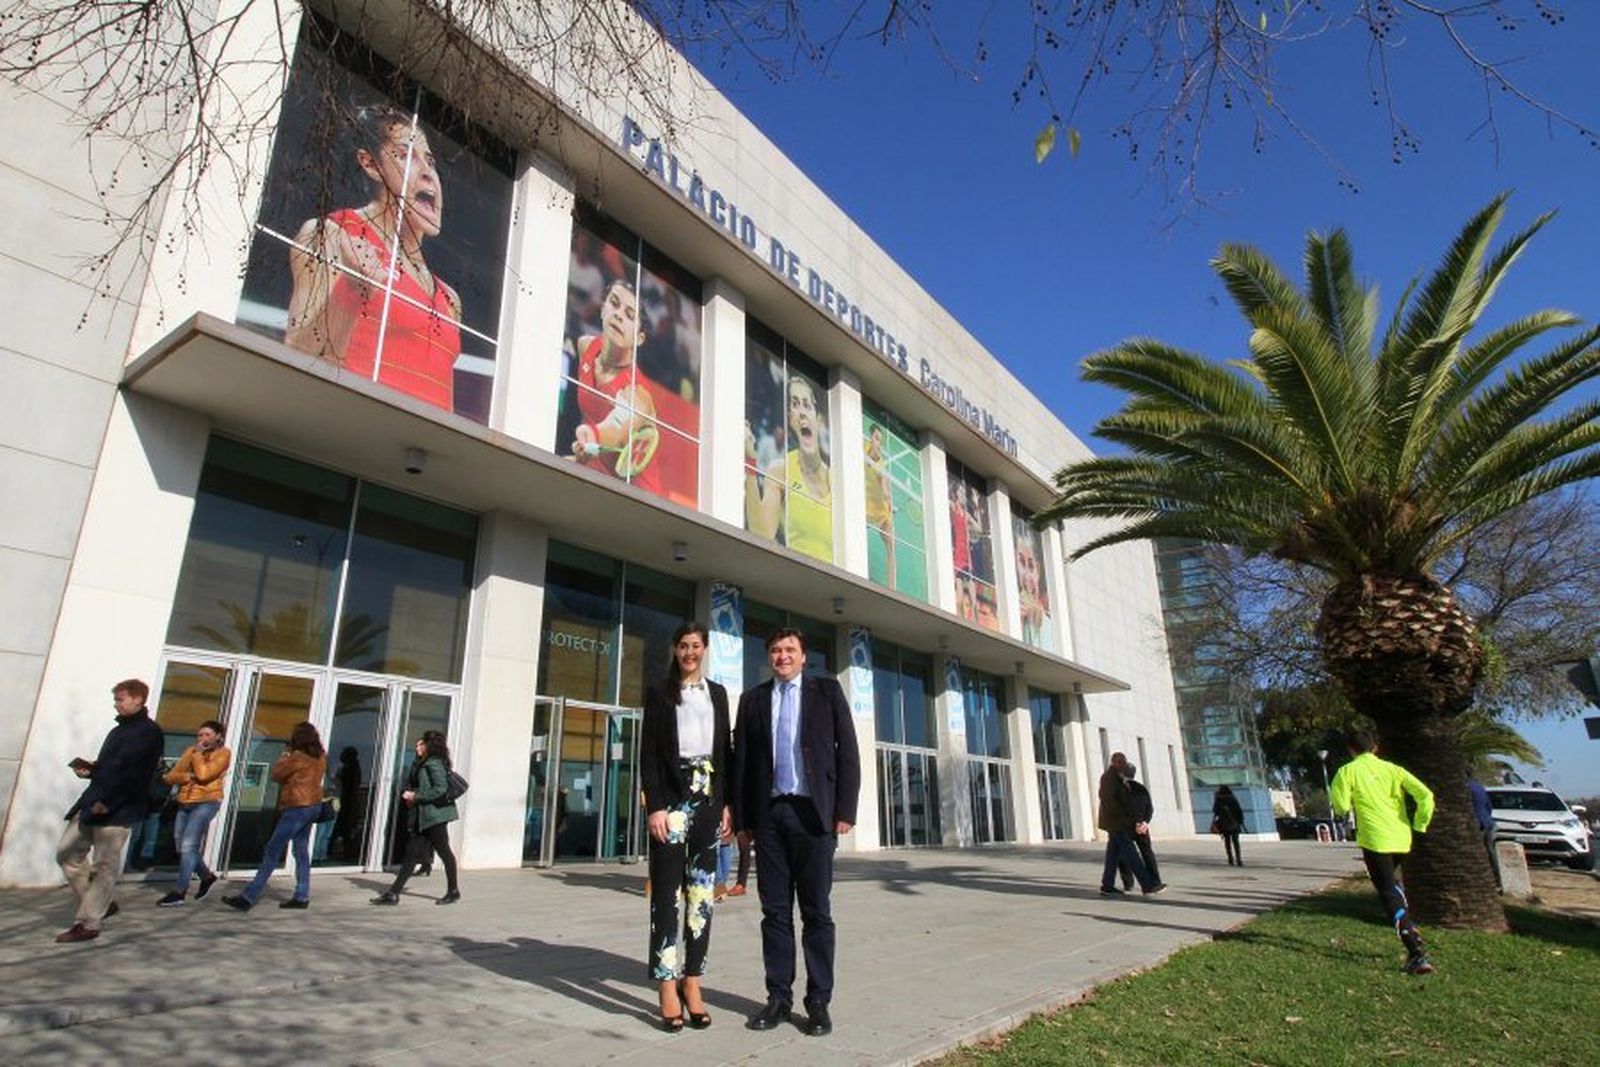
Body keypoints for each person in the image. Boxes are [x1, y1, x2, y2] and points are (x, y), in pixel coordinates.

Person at [285, 105, 462, 411]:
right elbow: (298, 354)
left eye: (430, 161)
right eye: (406, 155)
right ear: (370, 164)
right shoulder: (332, 235)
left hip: (421, 455)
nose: (427, 173)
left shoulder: (451, 299)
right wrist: (352, 289)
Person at [732, 629, 861, 1037]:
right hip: (769, 817)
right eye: (775, 650)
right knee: (774, 913)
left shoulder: (827, 692)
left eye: (790, 650)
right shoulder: (752, 700)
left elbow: (849, 752)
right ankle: (778, 998)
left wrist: (844, 810)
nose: (782, 656)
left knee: (816, 913)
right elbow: (742, 764)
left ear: (804, 656)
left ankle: (818, 1001)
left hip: (814, 816)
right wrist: (742, 820)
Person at [639, 622, 732, 1031]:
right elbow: (649, 755)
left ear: (705, 649)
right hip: (671, 804)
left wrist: (726, 803)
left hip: (708, 803)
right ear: (675, 650)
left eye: (696, 646)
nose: (689, 652)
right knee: (666, 896)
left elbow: (725, 754)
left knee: (701, 898)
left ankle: (692, 982)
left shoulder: (719, 694)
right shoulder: (659, 693)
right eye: (683, 646)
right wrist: (655, 806)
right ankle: (666, 985)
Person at [54, 679, 164, 943]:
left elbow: (137, 774)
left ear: (138, 699)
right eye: (116, 699)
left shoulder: (148, 732)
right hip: (92, 802)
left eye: (121, 699)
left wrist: (110, 802)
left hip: (117, 809)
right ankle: (101, 903)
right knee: (66, 853)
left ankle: (89, 923)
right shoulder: (118, 731)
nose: (116, 703)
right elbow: (112, 768)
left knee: (105, 866)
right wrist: (91, 770)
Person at [1329, 731, 1437, 975]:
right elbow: (1425, 795)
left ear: (1350, 749)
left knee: (1387, 891)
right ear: (1375, 747)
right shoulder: (1394, 770)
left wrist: (1346, 801)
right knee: (1394, 886)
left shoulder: (1346, 772)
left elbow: (1341, 806)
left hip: (1375, 841)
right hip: (1401, 837)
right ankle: (1411, 929)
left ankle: (1416, 952)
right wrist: (1420, 824)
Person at [566, 278, 664, 492]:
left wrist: (592, 435)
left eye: (630, 315)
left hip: (638, 499)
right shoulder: (586, 347)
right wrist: (585, 450)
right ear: (602, 309)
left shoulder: (638, 396)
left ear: (639, 339)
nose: (618, 314)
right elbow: (592, 410)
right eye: (614, 303)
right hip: (596, 476)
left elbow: (617, 430)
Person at [223, 722, 328, 912]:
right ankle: (302, 895)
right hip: (313, 806)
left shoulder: (296, 757)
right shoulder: (321, 757)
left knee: (273, 849)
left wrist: (284, 756)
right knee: (301, 850)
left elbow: (277, 775)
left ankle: (249, 896)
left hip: (296, 807)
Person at [745, 375, 832, 561]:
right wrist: (750, 463)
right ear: (790, 419)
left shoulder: (836, 480)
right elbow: (762, 536)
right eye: (795, 404)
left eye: (807, 405)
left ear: (818, 419)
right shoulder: (780, 471)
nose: (802, 412)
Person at [373, 730, 461, 905]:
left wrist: (416, 796)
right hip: (425, 816)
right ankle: (393, 893)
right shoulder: (423, 763)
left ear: (429, 746)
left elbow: (440, 789)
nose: (418, 747)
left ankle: (453, 890)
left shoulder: (433, 764)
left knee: (444, 852)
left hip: (435, 816)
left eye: (422, 744)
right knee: (412, 854)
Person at [156, 720, 232, 906]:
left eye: (207, 734)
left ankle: (179, 892)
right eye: (200, 735)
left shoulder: (223, 753)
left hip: (207, 801)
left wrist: (198, 757)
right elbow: (170, 776)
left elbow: (205, 774)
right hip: (185, 801)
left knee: (189, 844)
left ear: (218, 736)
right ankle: (206, 876)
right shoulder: (191, 751)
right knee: (181, 845)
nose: (203, 739)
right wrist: (187, 776)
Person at [1098, 751, 1164, 896]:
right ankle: (1147, 885)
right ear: (1115, 762)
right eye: (1120, 762)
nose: (1122, 765)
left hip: (1115, 822)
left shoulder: (1114, 777)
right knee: (1131, 854)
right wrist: (1129, 821)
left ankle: (1107, 885)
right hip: (1117, 823)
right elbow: (1112, 803)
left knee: (1113, 854)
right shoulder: (1111, 778)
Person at [1117, 763, 1162, 890]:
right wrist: (1144, 823)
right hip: (1142, 827)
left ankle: (1128, 883)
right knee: (1147, 853)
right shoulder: (1142, 789)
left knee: (1122, 854)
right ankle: (1155, 881)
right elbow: (1150, 808)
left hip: (1125, 828)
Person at [1466, 770, 1501, 891]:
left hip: (1476, 823)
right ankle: (1497, 878)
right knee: (1490, 851)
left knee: (1475, 851)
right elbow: (1489, 806)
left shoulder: (1465, 788)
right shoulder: (1480, 787)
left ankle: (1477, 879)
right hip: (1487, 822)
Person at [1212, 784, 1246, 867]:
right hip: (1234, 823)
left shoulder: (1218, 799)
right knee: (1236, 842)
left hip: (1224, 823)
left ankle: (1230, 859)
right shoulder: (1232, 799)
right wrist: (1240, 822)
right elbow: (1239, 811)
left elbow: (1215, 811)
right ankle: (1239, 859)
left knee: (1227, 842)